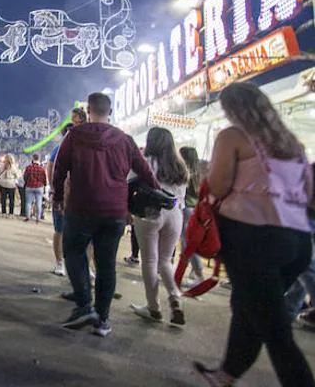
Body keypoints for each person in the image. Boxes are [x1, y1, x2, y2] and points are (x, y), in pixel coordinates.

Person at [194, 83, 314, 387]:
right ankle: (226, 373)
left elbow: (218, 186)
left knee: (275, 330)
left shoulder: (233, 136)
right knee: (248, 306)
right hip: (297, 241)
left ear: (234, 109)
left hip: (252, 238)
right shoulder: (292, 144)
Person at [53, 92, 157, 337]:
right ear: (110, 112)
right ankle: (103, 318)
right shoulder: (125, 140)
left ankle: (84, 305)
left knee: (75, 252)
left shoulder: (75, 136)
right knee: (107, 263)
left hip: (82, 208)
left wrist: (57, 196)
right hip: (115, 211)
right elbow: (145, 170)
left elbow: (60, 169)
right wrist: (159, 193)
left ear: (89, 110)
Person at [129, 126, 189, 326]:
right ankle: (175, 298)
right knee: (165, 260)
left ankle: (153, 308)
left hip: (149, 213)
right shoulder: (180, 165)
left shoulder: (145, 161)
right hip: (175, 214)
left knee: (149, 261)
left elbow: (128, 183)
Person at [47, 124, 73, 276]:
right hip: (61, 195)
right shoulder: (58, 150)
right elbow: (50, 168)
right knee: (60, 229)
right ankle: (59, 262)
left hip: (78, 197)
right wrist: (52, 188)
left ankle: (83, 266)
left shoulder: (83, 149)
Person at [178, 146, 206, 285]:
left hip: (186, 209)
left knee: (187, 243)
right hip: (195, 210)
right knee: (187, 242)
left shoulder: (185, 173)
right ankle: (191, 273)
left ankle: (199, 273)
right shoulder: (199, 174)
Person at [23, 153, 47, 223]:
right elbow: (44, 179)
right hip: (39, 187)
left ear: (33, 158)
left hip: (29, 186)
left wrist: (27, 182)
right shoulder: (42, 169)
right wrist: (44, 186)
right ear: (39, 158)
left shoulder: (28, 167)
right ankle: (38, 218)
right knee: (38, 203)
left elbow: (25, 177)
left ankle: (27, 217)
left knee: (28, 203)